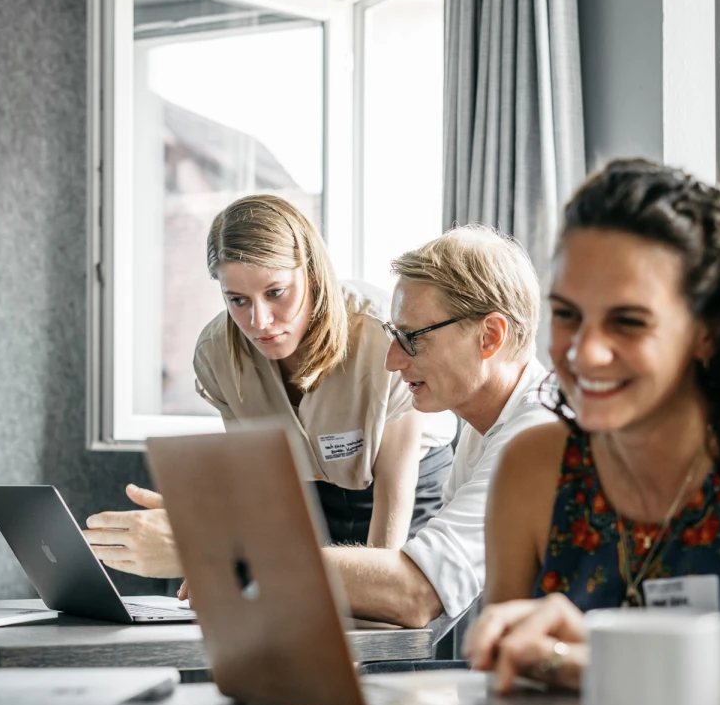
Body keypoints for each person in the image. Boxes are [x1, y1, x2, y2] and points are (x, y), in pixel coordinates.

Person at [85, 223, 555, 629]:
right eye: (394, 337)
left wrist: (216, 547)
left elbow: (416, 594)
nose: (392, 361)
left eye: (411, 339)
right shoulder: (486, 429)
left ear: (490, 336)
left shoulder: (534, 437)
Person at [464, 157, 720, 689]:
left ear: (708, 333)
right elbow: (505, 680)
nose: (585, 353)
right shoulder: (535, 467)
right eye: (567, 315)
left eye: (628, 322)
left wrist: (613, 671)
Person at [87, 195, 456, 559]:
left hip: (407, 482)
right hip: (308, 492)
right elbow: (262, 485)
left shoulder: (381, 334)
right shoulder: (217, 353)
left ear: (311, 273)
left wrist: (378, 592)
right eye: (238, 300)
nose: (258, 322)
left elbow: (394, 490)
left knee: (396, 610)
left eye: (276, 293)